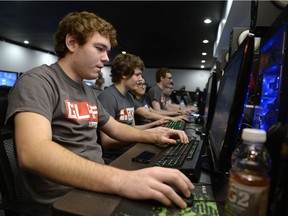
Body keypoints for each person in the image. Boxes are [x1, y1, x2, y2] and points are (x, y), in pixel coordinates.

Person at [5, 11, 194, 209]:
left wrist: (156, 135)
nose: (105, 58)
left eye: (107, 51)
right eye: (99, 48)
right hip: (62, 201)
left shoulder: (86, 91)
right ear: (72, 43)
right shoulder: (38, 82)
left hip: (93, 185)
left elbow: (116, 128)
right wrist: (122, 180)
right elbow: (33, 153)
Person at [98, 53, 187, 161]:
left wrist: (155, 126)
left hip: (132, 148)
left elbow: (133, 129)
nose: (142, 79)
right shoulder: (108, 97)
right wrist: (148, 134)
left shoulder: (129, 97)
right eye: (137, 74)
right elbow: (107, 142)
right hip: (117, 157)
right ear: (124, 74)